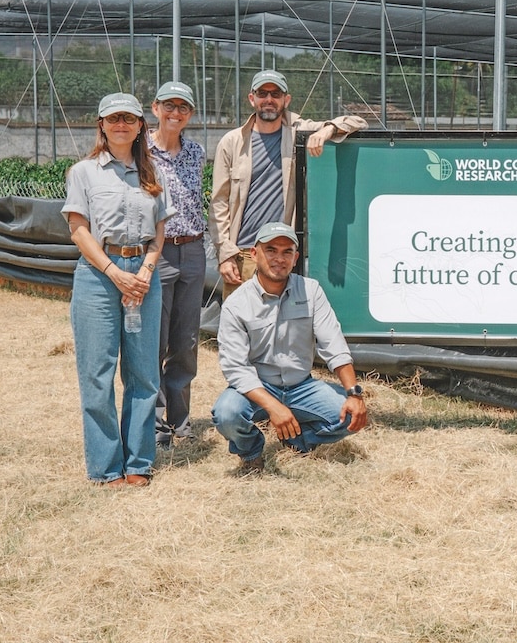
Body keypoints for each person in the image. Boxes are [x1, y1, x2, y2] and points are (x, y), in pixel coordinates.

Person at [62, 93, 174, 487]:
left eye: (129, 118)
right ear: (102, 125)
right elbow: (79, 230)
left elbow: (159, 231)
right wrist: (114, 272)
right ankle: (106, 466)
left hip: (143, 276)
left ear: (141, 125)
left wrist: (143, 271)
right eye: (113, 119)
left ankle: (139, 462)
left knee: (143, 373)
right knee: (97, 373)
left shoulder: (153, 174)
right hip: (98, 275)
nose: (121, 124)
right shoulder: (84, 172)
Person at [212, 222, 368, 474]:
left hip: (302, 386)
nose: (279, 259)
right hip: (257, 388)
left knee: (352, 417)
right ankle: (251, 451)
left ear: (295, 258)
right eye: (271, 250)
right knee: (227, 413)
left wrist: (354, 393)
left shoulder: (311, 291)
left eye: (287, 252)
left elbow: (334, 344)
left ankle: (296, 439)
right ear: (254, 254)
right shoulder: (236, 304)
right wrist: (274, 407)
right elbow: (236, 369)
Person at [209, 69, 367, 297]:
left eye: (276, 94)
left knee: (284, 328)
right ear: (252, 98)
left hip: (283, 256)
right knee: (240, 329)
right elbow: (219, 204)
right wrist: (225, 255)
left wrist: (327, 130)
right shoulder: (232, 142)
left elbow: (357, 122)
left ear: (286, 99)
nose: (269, 100)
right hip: (243, 256)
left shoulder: (298, 134)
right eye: (263, 93)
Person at [147, 81, 206, 447]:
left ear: (190, 114)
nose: (175, 113)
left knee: (185, 341)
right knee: (155, 338)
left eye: (182, 107)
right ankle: (154, 423)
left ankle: (180, 421)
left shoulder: (197, 152)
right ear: (155, 109)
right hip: (159, 251)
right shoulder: (141, 152)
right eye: (169, 106)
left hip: (194, 251)